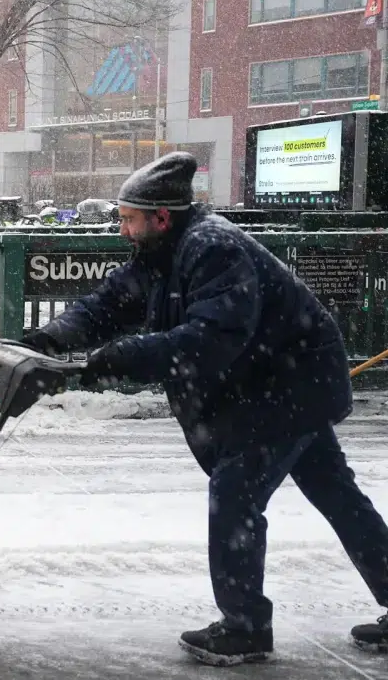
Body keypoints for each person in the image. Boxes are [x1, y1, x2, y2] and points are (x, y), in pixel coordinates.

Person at [20, 152, 388, 666]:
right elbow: (108, 304)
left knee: (235, 496)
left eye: (128, 218)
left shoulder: (213, 250)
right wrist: (49, 339)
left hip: (285, 390)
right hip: (278, 386)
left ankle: (244, 628)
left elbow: (210, 339)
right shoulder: (163, 253)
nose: (123, 229)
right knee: (337, 495)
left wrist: (116, 360)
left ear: (160, 217)